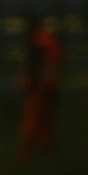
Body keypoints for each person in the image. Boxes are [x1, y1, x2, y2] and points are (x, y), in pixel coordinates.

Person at [18, 16, 63, 159]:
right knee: (46, 119)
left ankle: (28, 151)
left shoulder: (37, 42)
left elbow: (34, 65)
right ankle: (47, 149)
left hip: (39, 87)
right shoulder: (49, 41)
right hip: (49, 86)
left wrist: (27, 82)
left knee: (32, 119)